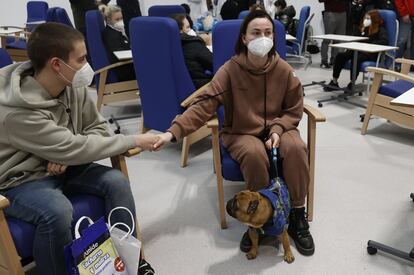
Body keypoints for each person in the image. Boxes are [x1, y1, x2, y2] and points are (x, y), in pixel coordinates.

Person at [0, 23, 157, 275]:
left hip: (66, 165)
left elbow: (98, 128)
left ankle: (129, 260)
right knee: (56, 210)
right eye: (81, 58)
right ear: (56, 64)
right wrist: (134, 140)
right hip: (19, 180)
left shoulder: (72, 84)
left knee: (116, 182)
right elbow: (72, 146)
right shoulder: (16, 111)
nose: (87, 66)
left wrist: (68, 155)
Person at [157, 9, 315, 256]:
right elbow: (204, 104)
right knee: (254, 153)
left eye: (267, 32)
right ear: (244, 38)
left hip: (279, 128)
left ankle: (296, 214)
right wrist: (172, 132)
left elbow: (294, 110)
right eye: (256, 32)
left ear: (274, 37)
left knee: (295, 147)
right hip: (241, 132)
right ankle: (260, 217)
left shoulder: (284, 70)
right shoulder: (229, 71)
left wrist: (277, 128)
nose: (262, 37)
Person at [324, 10, 388, 91]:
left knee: (357, 59)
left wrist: (368, 43)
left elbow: (384, 41)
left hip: (370, 54)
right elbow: (355, 37)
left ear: (374, 19)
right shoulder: (363, 28)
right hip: (357, 50)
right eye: (365, 18)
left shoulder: (380, 29)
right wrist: (361, 32)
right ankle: (334, 81)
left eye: (368, 18)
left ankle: (352, 83)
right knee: (340, 56)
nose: (365, 20)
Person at [171, 14, 214, 89]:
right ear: (179, 31)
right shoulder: (193, 44)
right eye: (188, 27)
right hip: (200, 91)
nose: (191, 30)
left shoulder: (167, 46)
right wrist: (209, 44)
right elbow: (215, 65)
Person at [99, 4, 136, 81]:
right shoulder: (110, 34)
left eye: (121, 18)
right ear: (108, 20)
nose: (120, 21)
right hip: (124, 69)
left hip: (128, 64)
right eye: (117, 19)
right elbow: (119, 54)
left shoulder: (117, 30)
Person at [319, 0, 348, 69]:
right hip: (330, 13)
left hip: (343, 13)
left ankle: (334, 60)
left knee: (338, 40)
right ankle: (324, 61)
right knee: (327, 39)